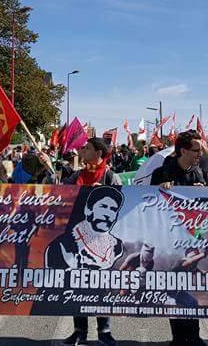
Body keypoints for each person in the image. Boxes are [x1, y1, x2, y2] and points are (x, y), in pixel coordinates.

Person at [52, 138, 119, 346]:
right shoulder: (77, 175)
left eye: (87, 148)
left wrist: (104, 192)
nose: (83, 150)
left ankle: (104, 332)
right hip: (77, 239)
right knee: (77, 285)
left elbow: (123, 201)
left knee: (101, 287)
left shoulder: (110, 176)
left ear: (99, 153)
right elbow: (62, 193)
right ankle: (79, 331)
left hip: (101, 243)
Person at [150, 130, 208, 346]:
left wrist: (205, 191)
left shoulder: (199, 171)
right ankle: (178, 337)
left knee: (192, 288)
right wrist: (160, 190)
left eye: (200, 150)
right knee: (174, 286)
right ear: (183, 150)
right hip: (169, 241)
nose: (199, 154)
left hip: (193, 239)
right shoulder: (161, 172)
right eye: (196, 150)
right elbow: (147, 202)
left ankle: (194, 335)